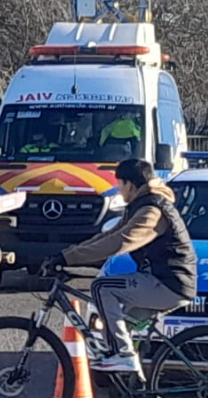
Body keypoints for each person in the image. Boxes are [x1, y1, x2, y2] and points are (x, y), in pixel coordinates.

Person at [42, 158, 196, 373]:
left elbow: (120, 241)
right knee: (121, 327)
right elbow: (108, 235)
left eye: (119, 184)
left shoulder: (152, 211)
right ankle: (140, 396)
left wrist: (68, 259)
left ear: (130, 185)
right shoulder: (141, 205)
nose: (118, 189)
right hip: (162, 280)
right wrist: (66, 254)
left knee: (101, 287)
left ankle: (121, 356)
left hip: (168, 283)